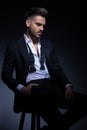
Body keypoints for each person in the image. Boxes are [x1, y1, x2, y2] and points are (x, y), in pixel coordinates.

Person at [1, 7, 87, 130]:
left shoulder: (48, 45)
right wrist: (23, 89)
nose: (42, 29)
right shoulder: (14, 46)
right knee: (44, 96)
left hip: (51, 87)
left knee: (84, 102)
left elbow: (57, 68)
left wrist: (67, 84)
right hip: (31, 89)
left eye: (43, 25)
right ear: (28, 23)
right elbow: (5, 74)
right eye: (38, 24)